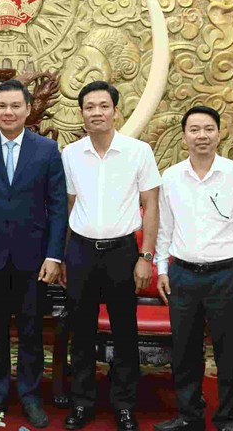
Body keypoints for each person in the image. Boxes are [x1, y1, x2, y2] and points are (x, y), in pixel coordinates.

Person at [0, 79, 68, 428]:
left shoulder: (47, 150)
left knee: (32, 331)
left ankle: (31, 396)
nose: (8, 112)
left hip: (33, 260)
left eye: (15, 106)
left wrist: (54, 256)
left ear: (27, 110)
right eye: (1, 106)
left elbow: (57, 208)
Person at [60, 80, 161, 431]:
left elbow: (151, 206)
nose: (97, 112)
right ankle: (82, 402)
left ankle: (124, 405)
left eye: (103, 106)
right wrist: (62, 257)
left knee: (124, 331)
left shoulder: (138, 152)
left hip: (123, 252)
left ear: (115, 110)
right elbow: (69, 206)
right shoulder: (70, 154)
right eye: (89, 107)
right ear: (82, 113)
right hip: (81, 252)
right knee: (81, 330)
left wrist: (145, 257)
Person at [153, 106, 233, 431]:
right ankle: (189, 416)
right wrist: (161, 268)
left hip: (225, 276)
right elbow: (164, 229)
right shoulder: (171, 177)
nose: (202, 135)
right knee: (185, 353)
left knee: (228, 353)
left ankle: (228, 420)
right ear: (184, 135)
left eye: (208, 129)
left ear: (219, 133)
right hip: (182, 276)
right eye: (195, 129)